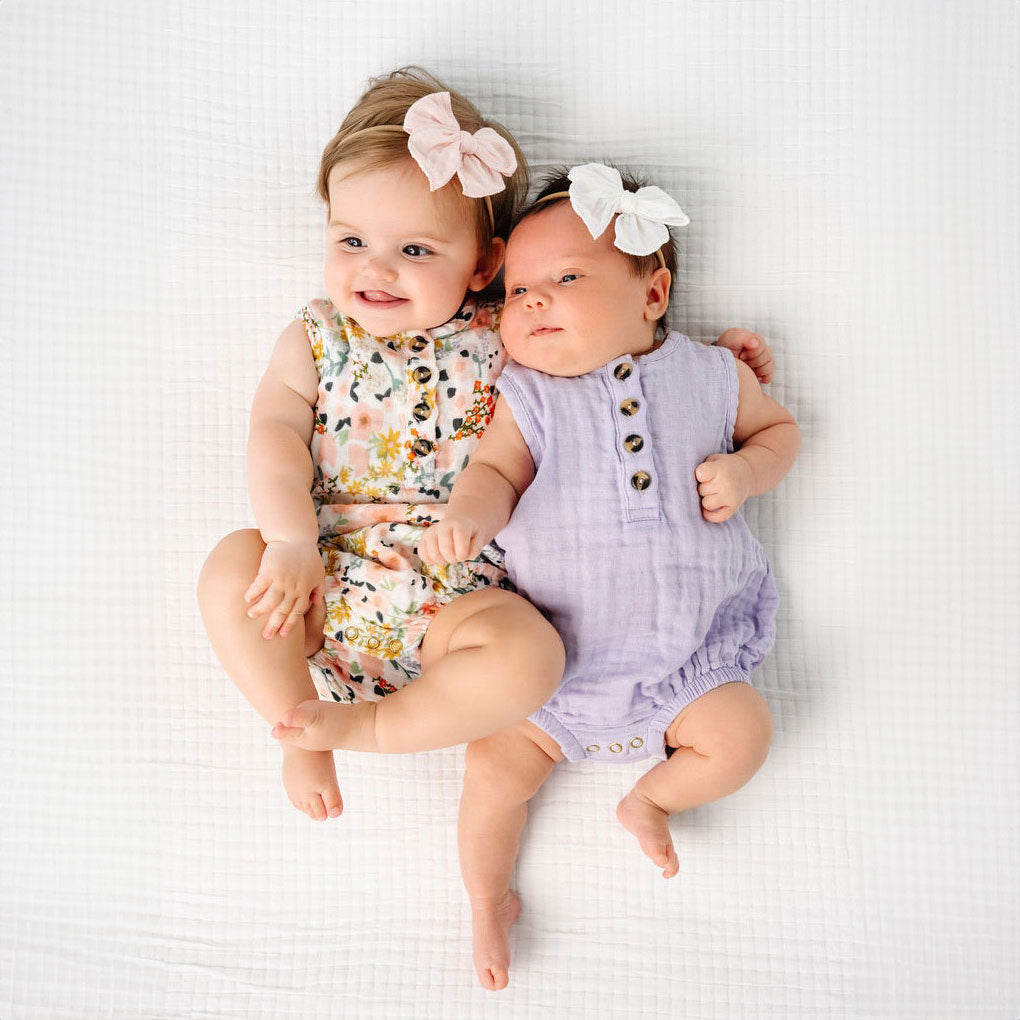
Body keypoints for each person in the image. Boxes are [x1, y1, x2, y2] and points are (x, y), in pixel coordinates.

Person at [197, 66, 773, 824]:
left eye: (415, 250)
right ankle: (296, 724)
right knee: (230, 566)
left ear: (484, 266)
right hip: (315, 582)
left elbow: (604, 347)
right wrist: (289, 541)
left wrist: (706, 366)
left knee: (534, 657)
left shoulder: (511, 331)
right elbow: (273, 436)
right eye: (351, 240)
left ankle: (364, 728)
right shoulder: (316, 338)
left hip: (458, 611)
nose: (375, 267)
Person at [418, 163, 800, 991]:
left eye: (565, 278)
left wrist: (746, 473)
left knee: (743, 735)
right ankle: (486, 898)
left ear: (653, 294)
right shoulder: (528, 397)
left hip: (688, 668)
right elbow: (493, 473)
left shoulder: (712, 374)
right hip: (552, 674)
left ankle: (653, 798)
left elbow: (779, 434)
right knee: (493, 774)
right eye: (518, 290)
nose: (533, 303)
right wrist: (471, 516)